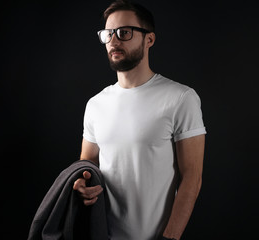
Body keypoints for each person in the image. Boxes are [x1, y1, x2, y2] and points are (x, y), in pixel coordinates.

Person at [73, 0, 206, 239]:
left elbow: (192, 178)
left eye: (124, 33)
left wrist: (170, 237)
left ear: (149, 39)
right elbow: (87, 165)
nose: (113, 40)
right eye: (108, 34)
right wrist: (81, 185)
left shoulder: (181, 98)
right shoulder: (95, 104)